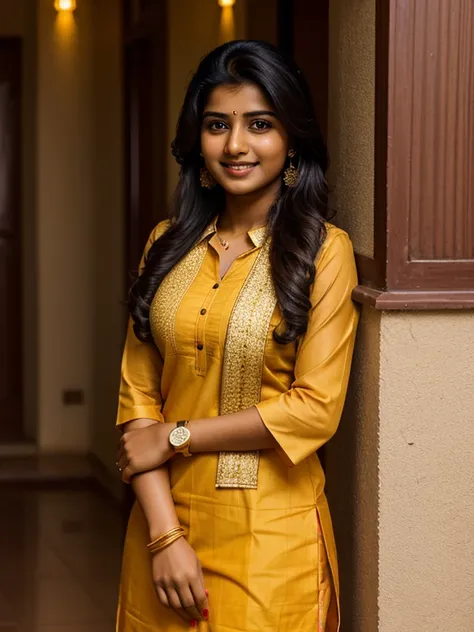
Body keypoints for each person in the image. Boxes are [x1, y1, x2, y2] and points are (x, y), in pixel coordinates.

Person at [115, 40, 359, 632]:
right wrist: (164, 536)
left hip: (270, 539)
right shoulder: (166, 244)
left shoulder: (323, 252)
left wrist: (176, 437)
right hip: (161, 525)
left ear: (291, 138)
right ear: (198, 142)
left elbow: (314, 410)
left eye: (260, 124)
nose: (236, 145)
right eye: (218, 125)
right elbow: (136, 400)